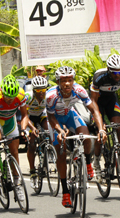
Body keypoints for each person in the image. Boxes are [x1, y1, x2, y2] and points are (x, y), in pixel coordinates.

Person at [46, 66, 106, 208]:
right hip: (55, 121)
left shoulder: (79, 90)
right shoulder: (51, 95)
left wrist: (101, 129)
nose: (67, 83)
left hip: (69, 115)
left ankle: (87, 162)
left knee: (86, 136)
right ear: (58, 82)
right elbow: (50, 116)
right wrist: (60, 130)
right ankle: (66, 192)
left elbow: (94, 110)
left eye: (70, 80)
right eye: (63, 80)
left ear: (73, 80)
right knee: (61, 154)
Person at [0, 75, 30, 201]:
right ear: (2, 93)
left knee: (14, 151)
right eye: (7, 97)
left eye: (11, 98)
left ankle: (18, 184)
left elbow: (25, 115)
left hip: (10, 121)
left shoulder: (20, 94)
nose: (9, 100)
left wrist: (24, 130)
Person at [90, 54, 120, 176]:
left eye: (119, 73)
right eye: (114, 73)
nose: (117, 76)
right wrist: (101, 125)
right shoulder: (99, 77)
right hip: (97, 102)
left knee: (118, 127)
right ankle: (96, 161)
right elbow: (93, 102)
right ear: (108, 70)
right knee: (100, 133)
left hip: (111, 99)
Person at [25, 76, 50, 189]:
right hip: (29, 118)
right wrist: (32, 128)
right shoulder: (28, 97)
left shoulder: (48, 96)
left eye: (43, 90)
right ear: (34, 90)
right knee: (32, 143)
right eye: (39, 91)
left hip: (42, 116)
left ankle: (48, 153)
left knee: (49, 132)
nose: (42, 93)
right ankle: (32, 171)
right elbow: (23, 115)